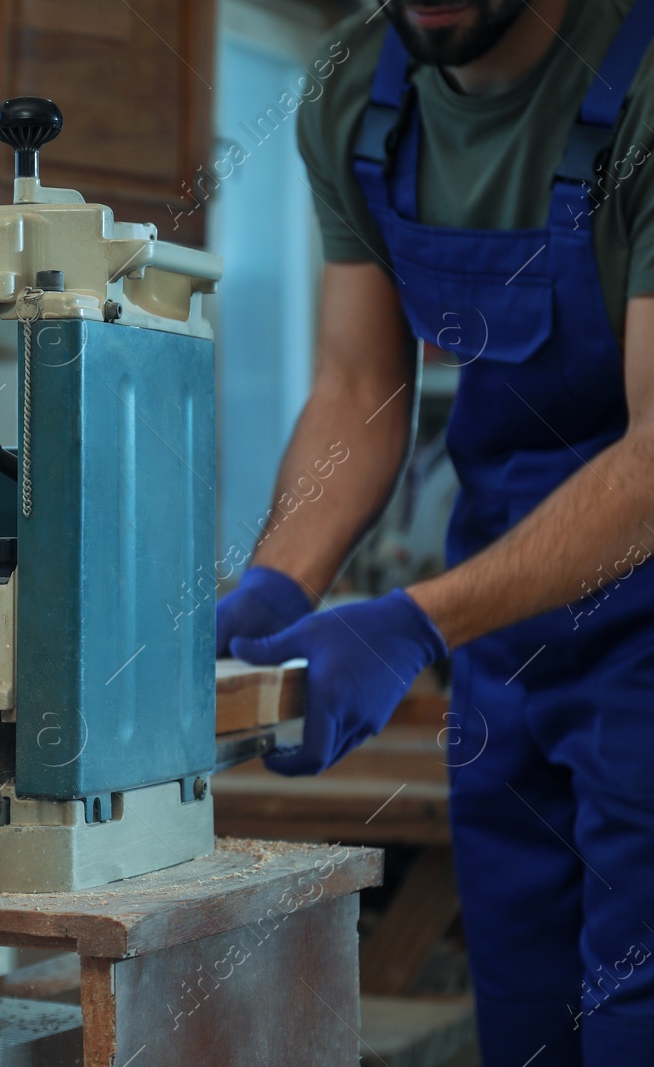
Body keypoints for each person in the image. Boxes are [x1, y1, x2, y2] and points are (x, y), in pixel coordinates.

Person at [216, 1, 654, 1062]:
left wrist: (409, 624)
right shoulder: (358, 91)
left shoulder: (639, 82)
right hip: (501, 650)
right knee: (525, 1023)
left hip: (643, 645)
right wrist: (275, 586)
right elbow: (361, 385)